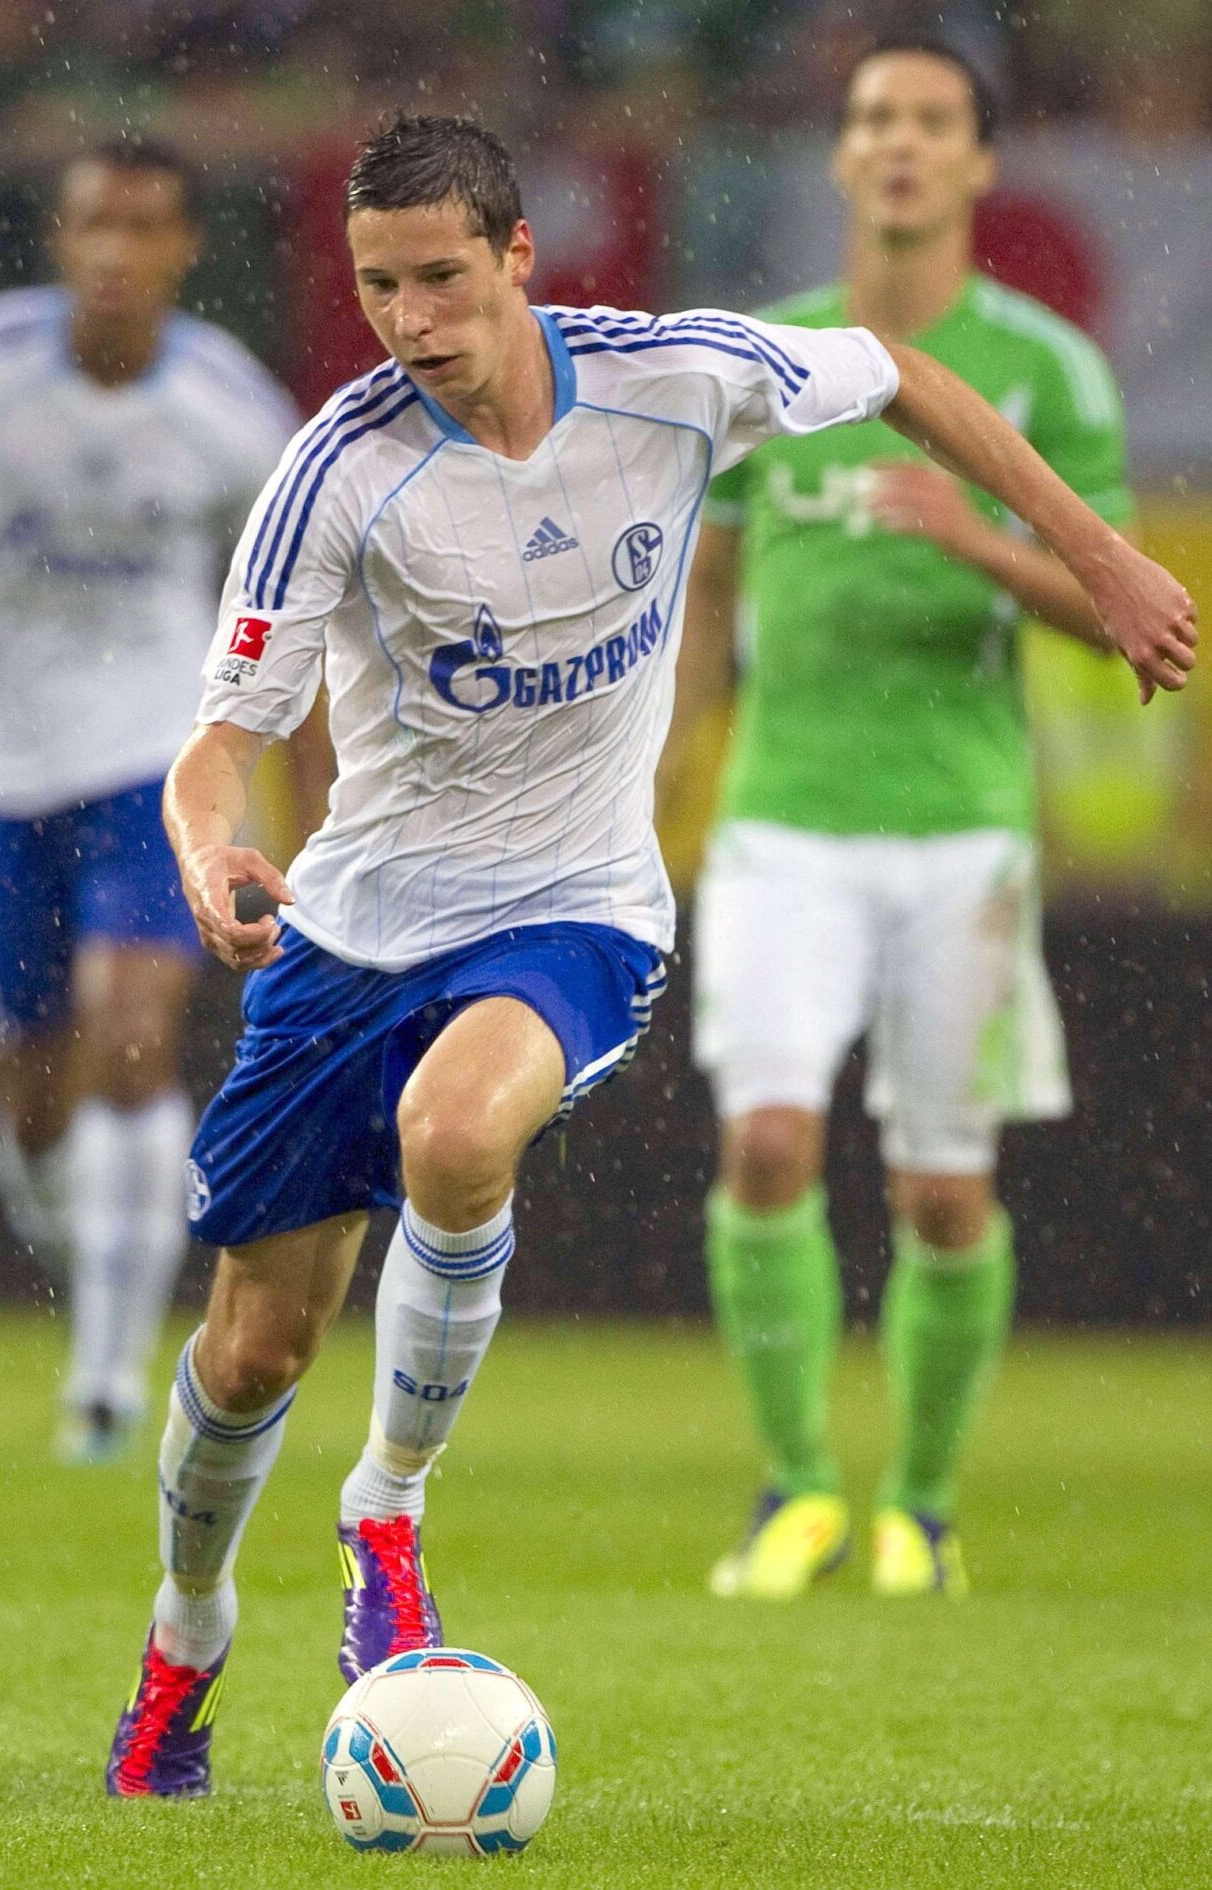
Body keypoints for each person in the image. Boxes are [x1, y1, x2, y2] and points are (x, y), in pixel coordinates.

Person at [104, 112, 1191, 1798]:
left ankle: (385, 1511)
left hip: (576, 905)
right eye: (379, 285)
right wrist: (208, 852)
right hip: (356, 926)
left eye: (444, 278)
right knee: (253, 1347)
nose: (410, 318)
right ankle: (185, 1640)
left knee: (460, 1134)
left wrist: (1099, 553)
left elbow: (904, 369)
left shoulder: (677, 377)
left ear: (521, 258)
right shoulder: (337, 464)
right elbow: (213, 748)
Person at [661, 41, 1142, 1603]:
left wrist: (981, 540)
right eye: (875, 118)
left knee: (942, 1189)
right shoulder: (772, 356)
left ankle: (919, 1507)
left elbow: (1124, 615)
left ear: (982, 165)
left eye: (933, 121)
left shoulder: (1046, 372)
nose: (901, 145)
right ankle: (794, 1488)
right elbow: (709, 588)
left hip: (961, 828)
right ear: (841, 157)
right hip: (781, 816)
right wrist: (664, 766)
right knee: (770, 1141)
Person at [0, 138, 301, 1462]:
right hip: (4, 768)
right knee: (33, 1102)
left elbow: (293, 597)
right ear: (59, 239)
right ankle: (104, 1275)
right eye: (94, 223)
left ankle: (106, 1378)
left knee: (133, 1025)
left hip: (155, 761)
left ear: (183, 248)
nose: (115, 250)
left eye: (143, 226)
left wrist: (279, 774)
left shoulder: (235, 409)